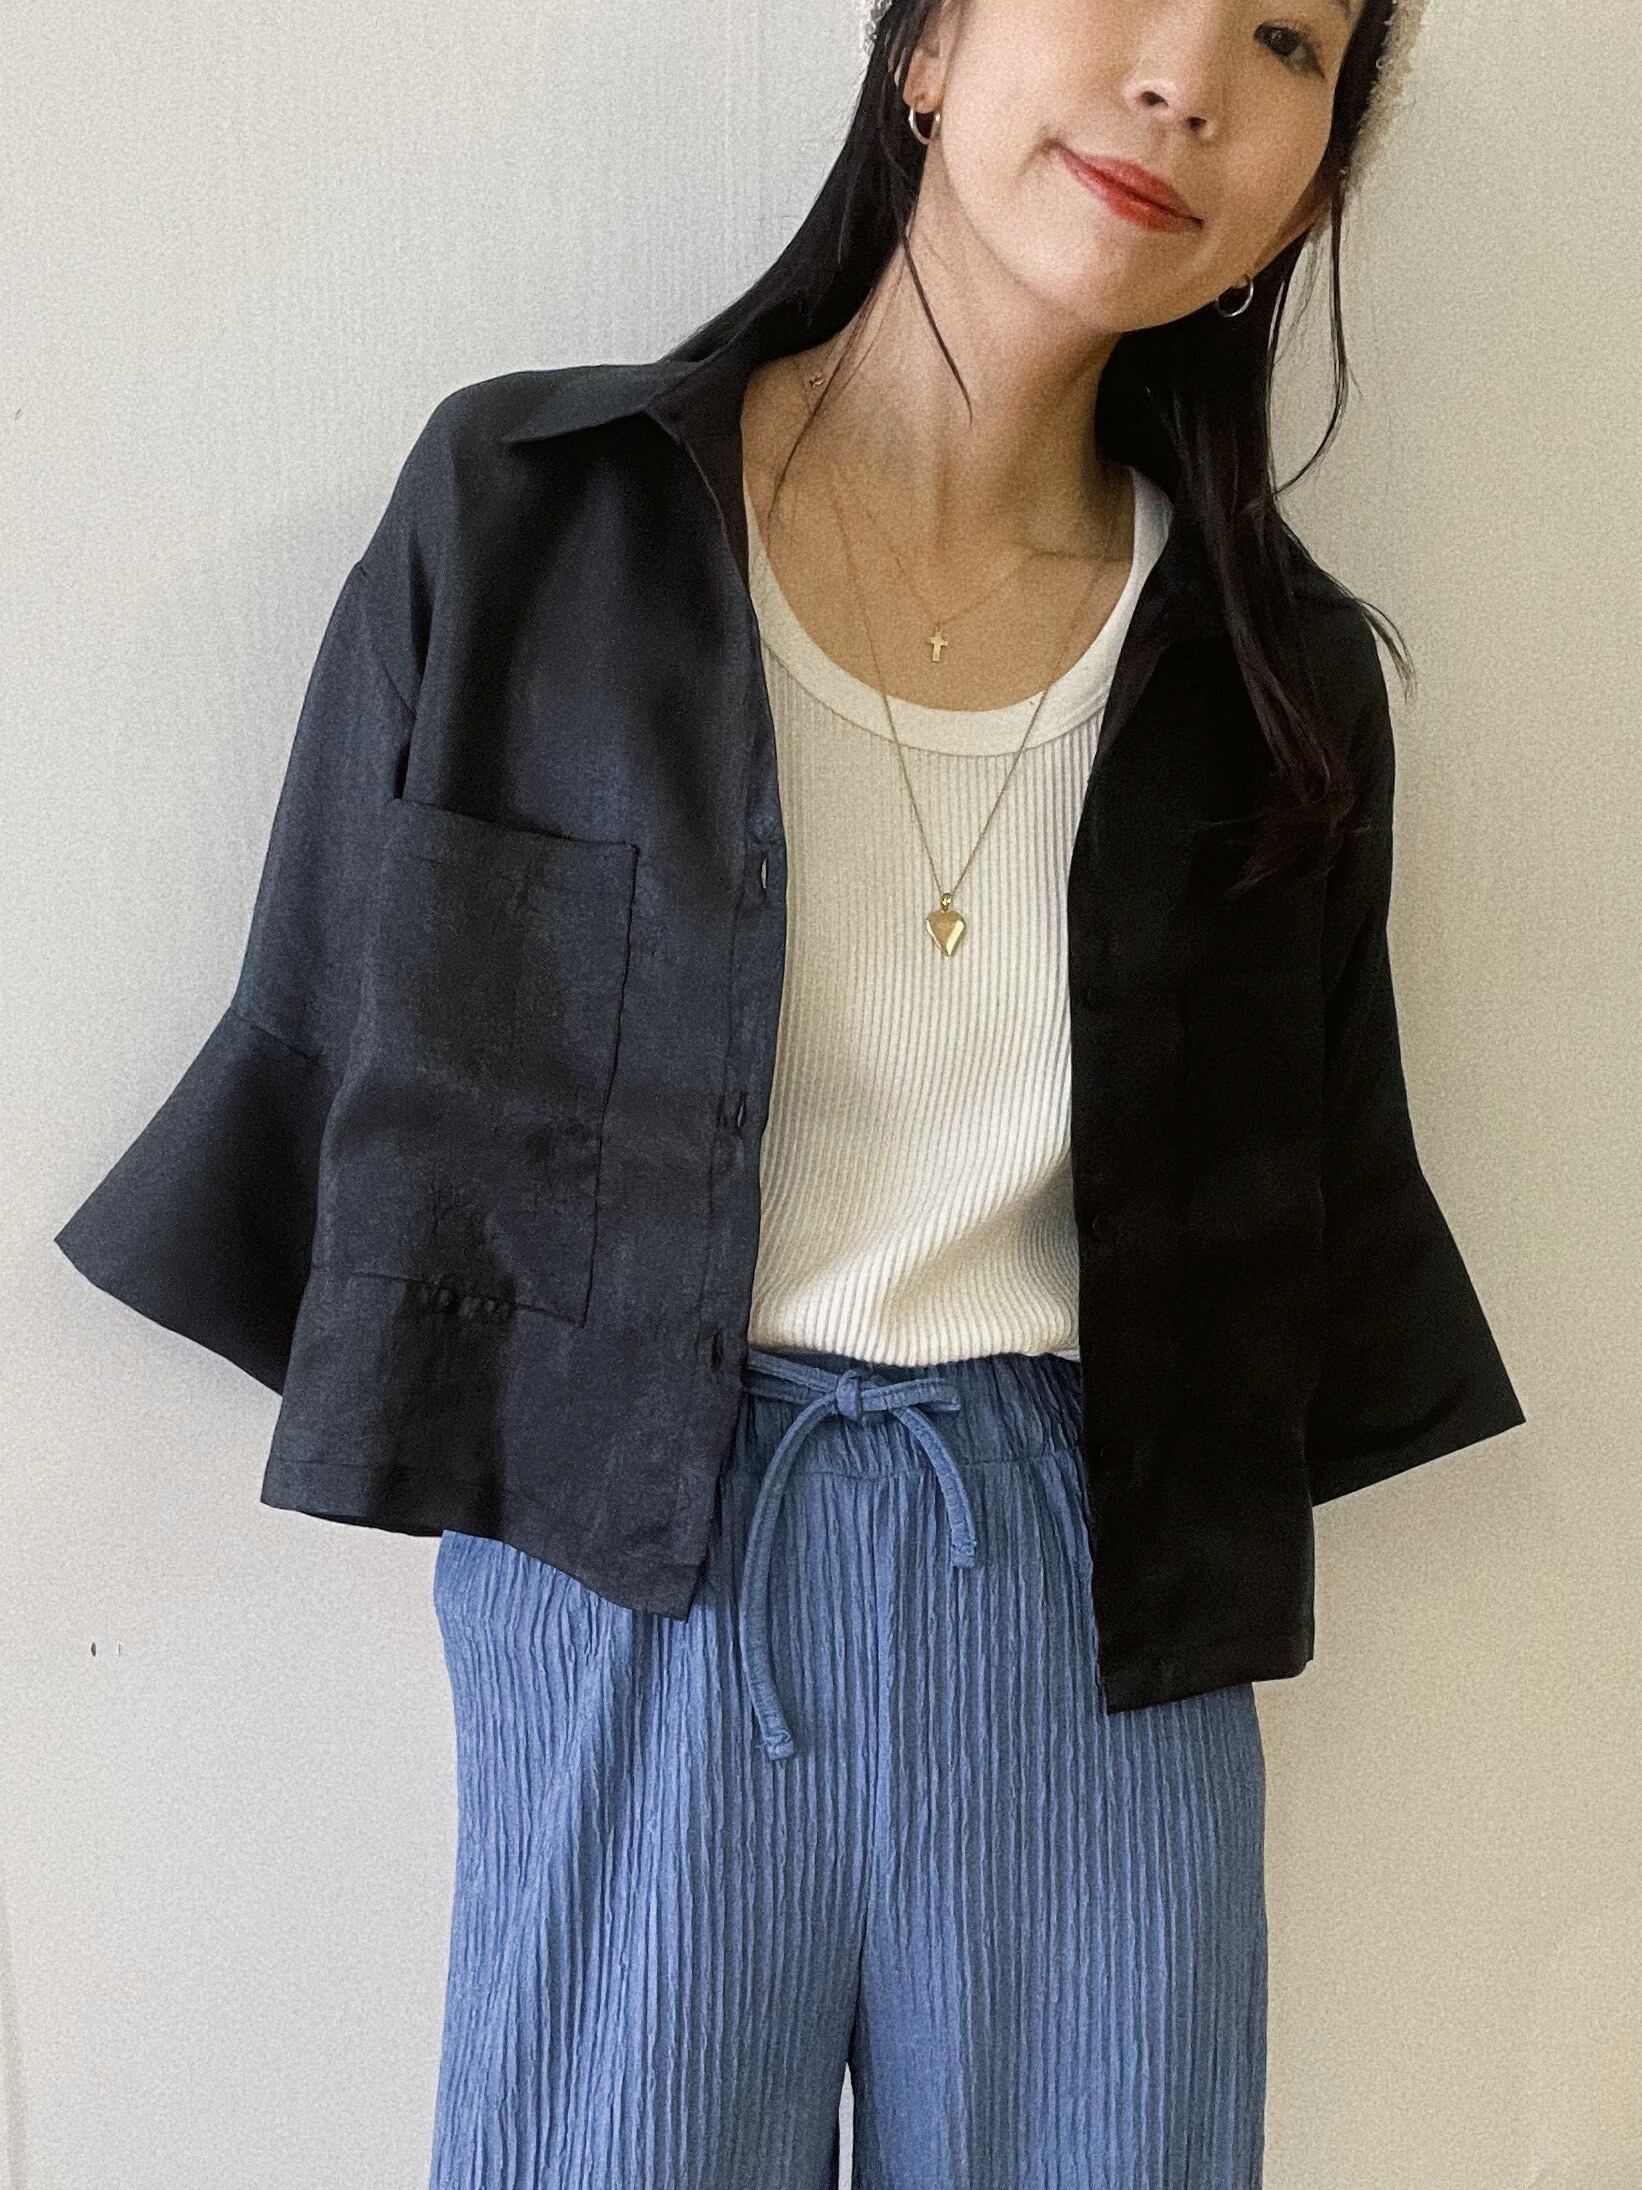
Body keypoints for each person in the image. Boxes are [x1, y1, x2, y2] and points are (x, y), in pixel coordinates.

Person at [53, 0, 1525, 2182]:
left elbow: (1294, 1247)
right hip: (633, 1561)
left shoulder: (1270, 678)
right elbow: (340, 1093)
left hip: (1079, 1591)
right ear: (924, 46)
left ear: (1301, 197)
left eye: (1286, 41)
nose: (1185, 77)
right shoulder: (530, 523)